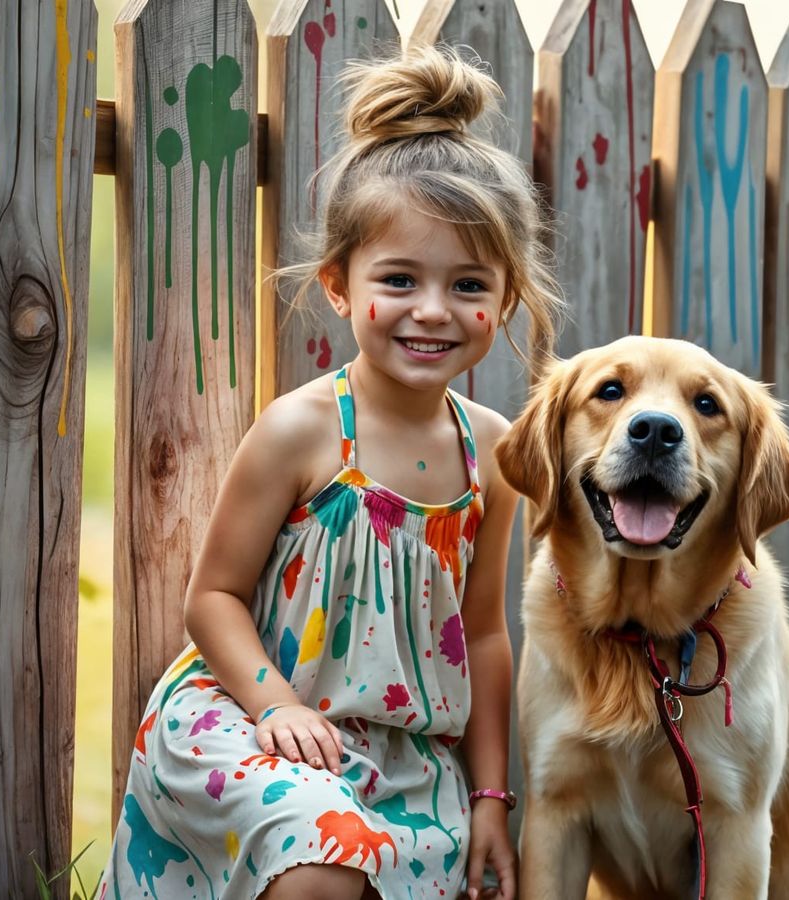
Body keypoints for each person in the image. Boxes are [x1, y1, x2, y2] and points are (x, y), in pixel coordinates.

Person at [98, 44, 564, 900]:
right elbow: (212, 598)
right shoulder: (303, 432)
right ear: (340, 287)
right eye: (399, 278)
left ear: (505, 299)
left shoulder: (494, 455)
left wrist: (494, 796)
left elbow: (489, 637)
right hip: (250, 721)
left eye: (468, 284)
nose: (433, 310)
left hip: (402, 760)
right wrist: (277, 706)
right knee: (321, 859)